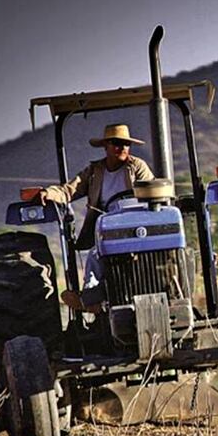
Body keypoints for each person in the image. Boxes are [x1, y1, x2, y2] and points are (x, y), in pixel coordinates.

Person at [38, 123, 154, 312]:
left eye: (125, 144)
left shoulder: (137, 167)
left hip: (136, 226)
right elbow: (69, 190)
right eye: (116, 143)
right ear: (106, 146)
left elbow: (152, 191)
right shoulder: (95, 171)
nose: (122, 148)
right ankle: (91, 300)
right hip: (107, 229)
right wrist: (49, 193)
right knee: (95, 255)